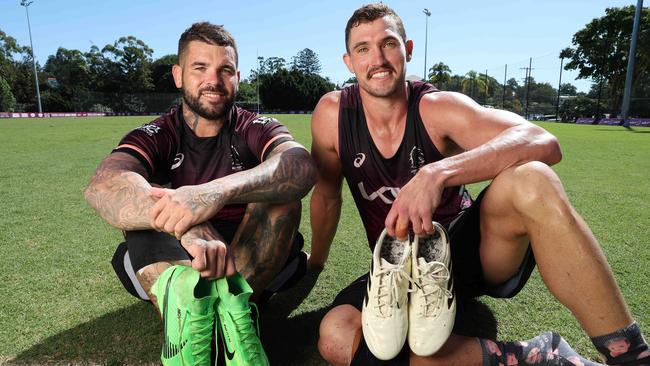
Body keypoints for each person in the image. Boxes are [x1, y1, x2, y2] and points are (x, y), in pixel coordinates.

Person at [308, 4, 649, 366]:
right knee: (337, 335)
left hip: (465, 253)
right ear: (348, 61)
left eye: (388, 44)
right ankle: (538, 356)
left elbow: (542, 140)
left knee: (532, 179)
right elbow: (327, 194)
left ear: (407, 49)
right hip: (398, 271)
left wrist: (436, 174)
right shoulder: (333, 116)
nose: (377, 58)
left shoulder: (437, 108)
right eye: (363, 49)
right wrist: (316, 260)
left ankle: (631, 356)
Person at [84, 21, 316, 362]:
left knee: (284, 199)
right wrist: (188, 224)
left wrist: (211, 194)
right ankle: (197, 322)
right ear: (178, 75)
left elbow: (299, 164)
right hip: (179, 257)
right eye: (200, 68)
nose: (214, 80)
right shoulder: (158, 132)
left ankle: (231, 316)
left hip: (247, 261)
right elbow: (104, 184)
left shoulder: (253, 126)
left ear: (237, 77)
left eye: (225, 69)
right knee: (141, 203)